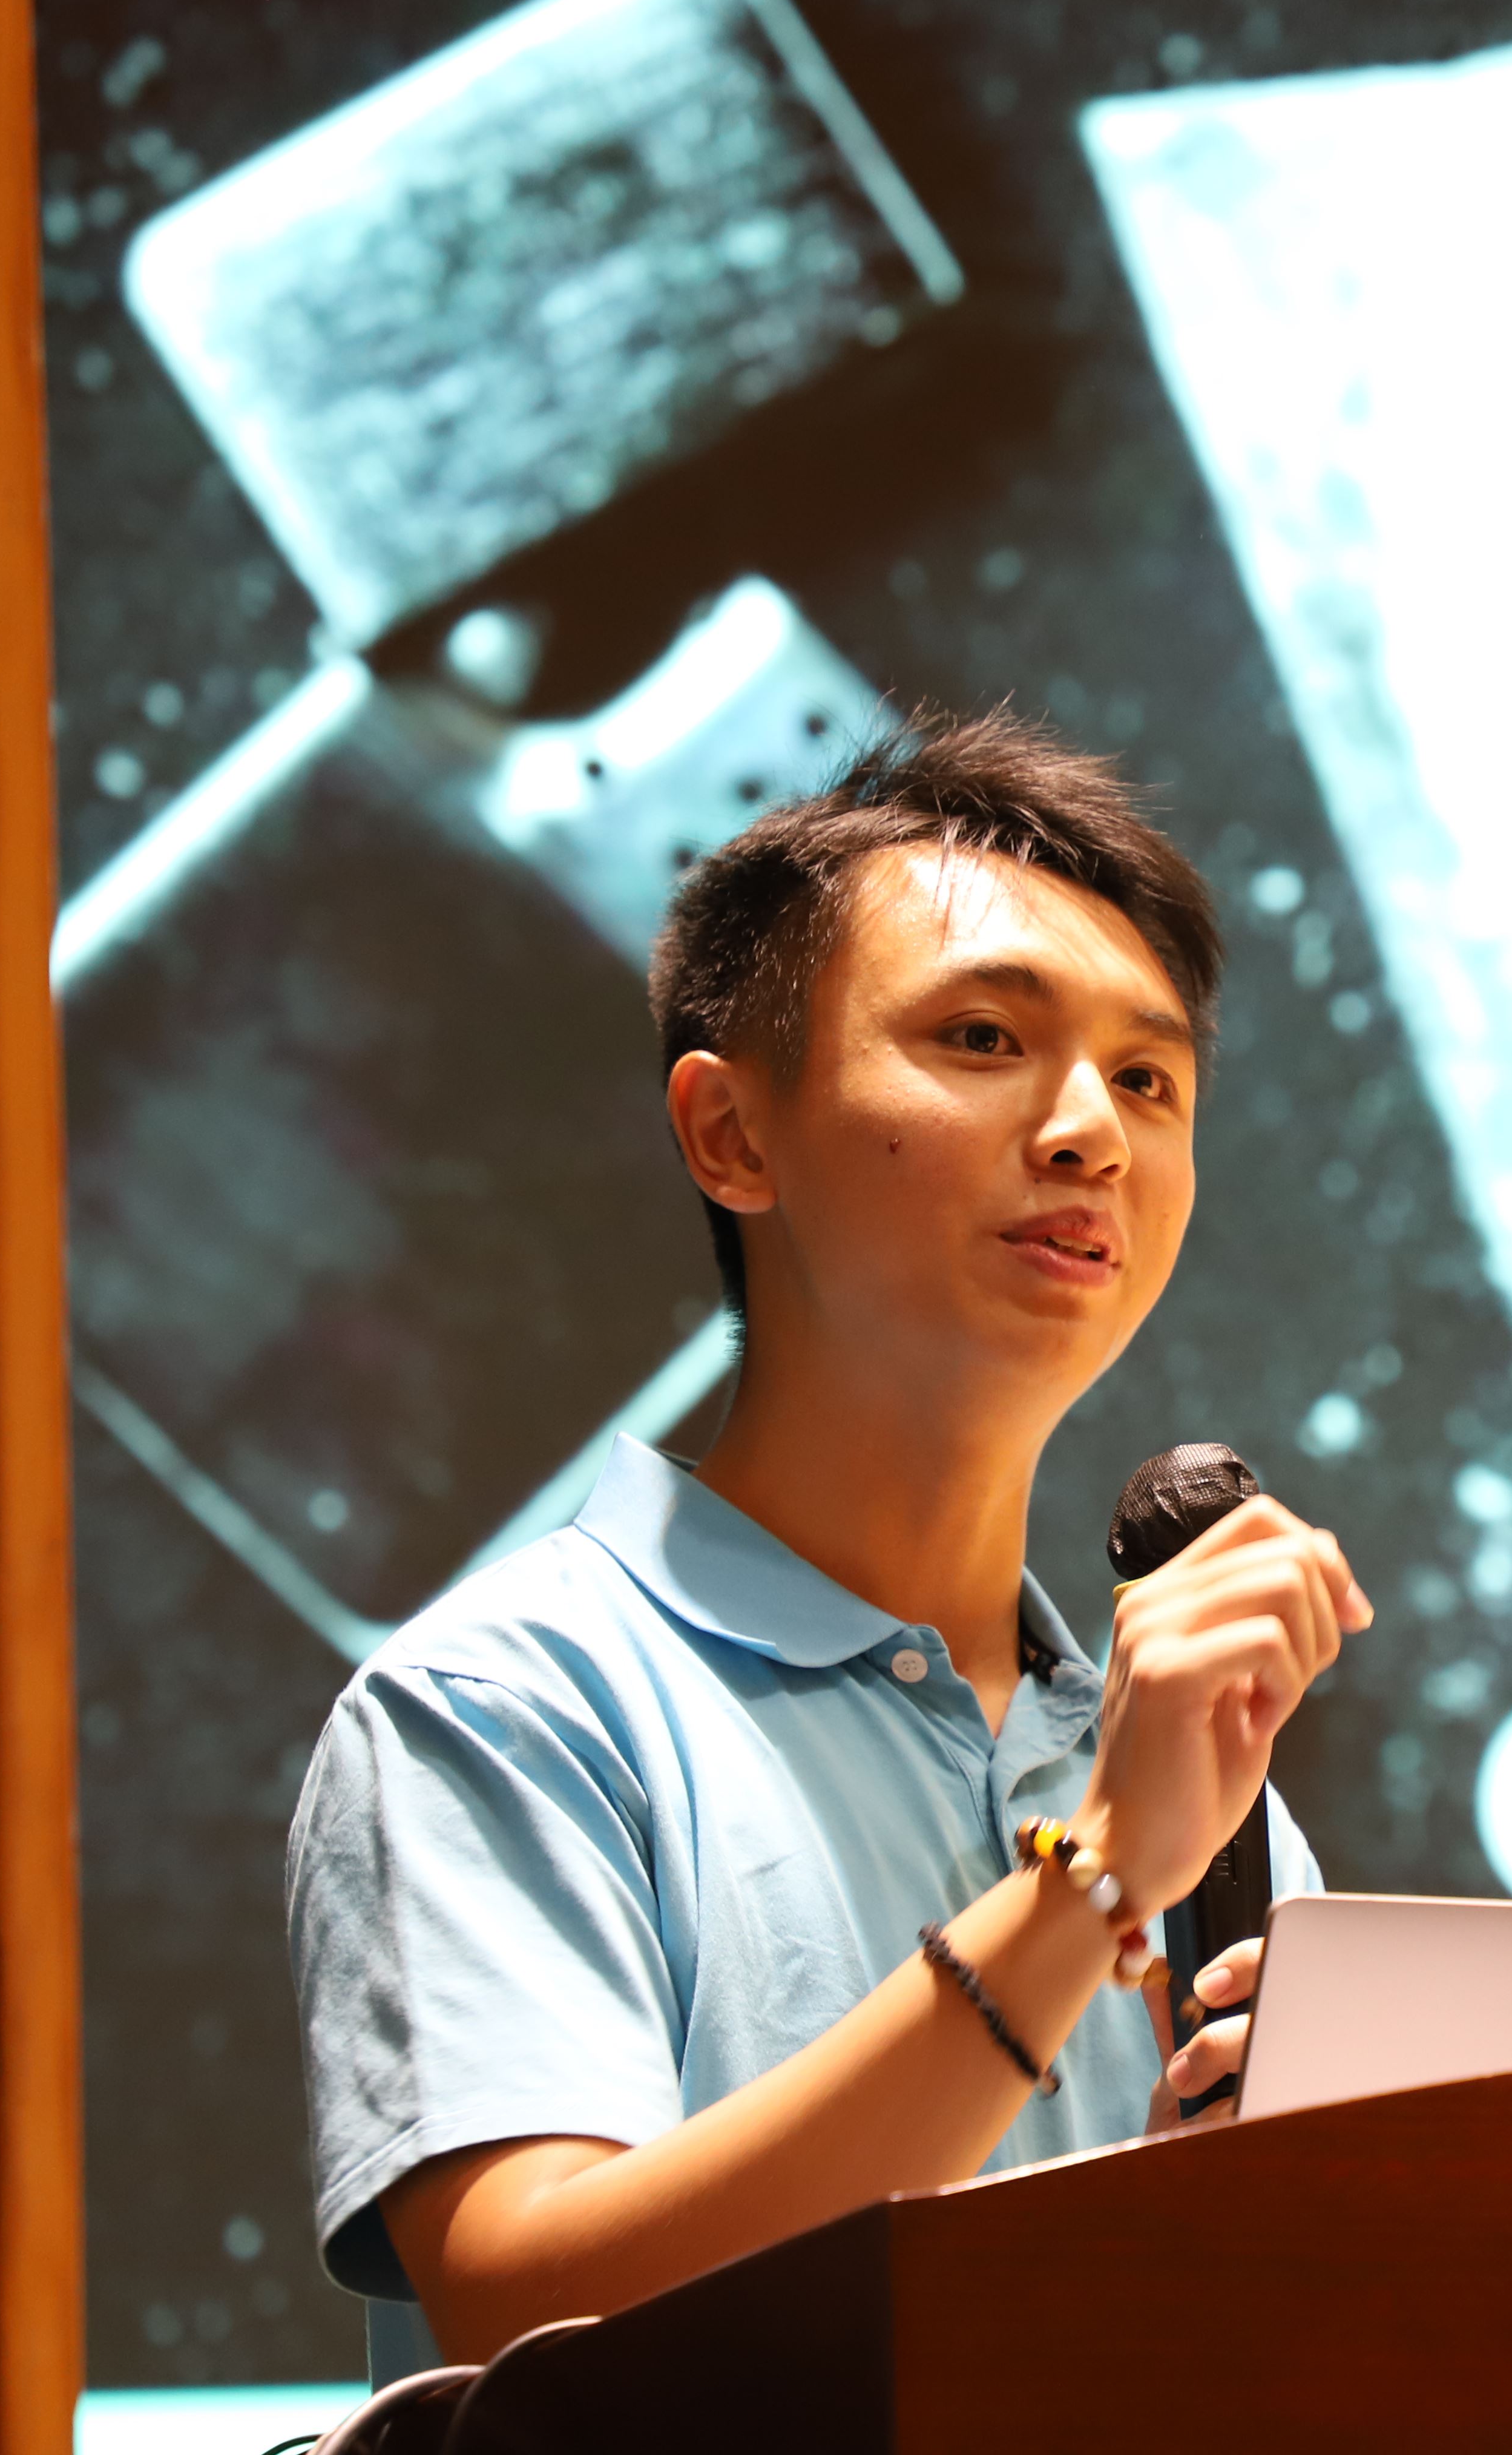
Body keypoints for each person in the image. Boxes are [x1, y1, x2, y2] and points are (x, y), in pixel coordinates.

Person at [284, 710, 1373, 2367]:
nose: (1092, 1130)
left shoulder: (1188, 1782)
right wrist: (1088, 1889)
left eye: (1149, 1079)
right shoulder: (508, 1707)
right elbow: (529, 2309)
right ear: (732, 1135)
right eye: (985, 1037)